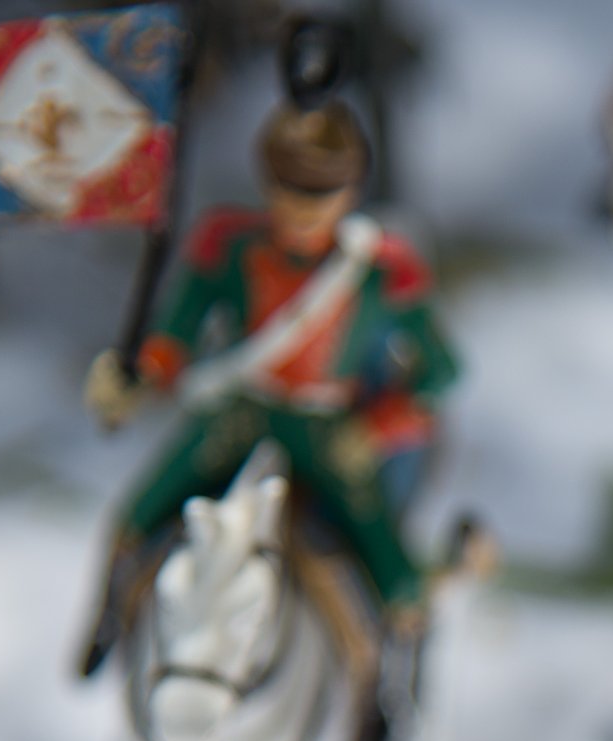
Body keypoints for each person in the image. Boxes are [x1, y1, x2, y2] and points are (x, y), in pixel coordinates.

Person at [80, 97, 458, 676]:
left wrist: (378, 426)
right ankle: (109, 625)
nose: (305, 211)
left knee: (398, 580)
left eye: (323, 195)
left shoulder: (384, 270)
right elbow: (175, 336)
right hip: (240, 414)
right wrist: (136, 375)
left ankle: (390, 690)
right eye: (291, 190)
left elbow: (440, 371)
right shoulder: (228, 245)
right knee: (136, 518)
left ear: (351, 194)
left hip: (328, 430)